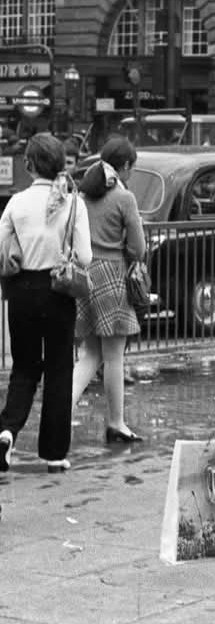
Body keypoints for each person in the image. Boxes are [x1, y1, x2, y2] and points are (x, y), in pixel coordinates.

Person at [0, 133, 92, 472]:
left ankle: (6, 431)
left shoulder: (16, 203)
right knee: (58, 369)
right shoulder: (74, 204)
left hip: (20, 290)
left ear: (28, 164)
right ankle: (54, 453)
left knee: (24, 366)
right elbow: (85, 255)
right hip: (58, 290)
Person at [71, 136, 145, 443]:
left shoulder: (85, 193)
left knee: (89, 353)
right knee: (114, 356)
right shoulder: (123, 197)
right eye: (131, 168)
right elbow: (138, 248)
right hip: (113, 275)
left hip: (85, 273)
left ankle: (62, 408)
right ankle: (117, 423)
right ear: (125, 166)